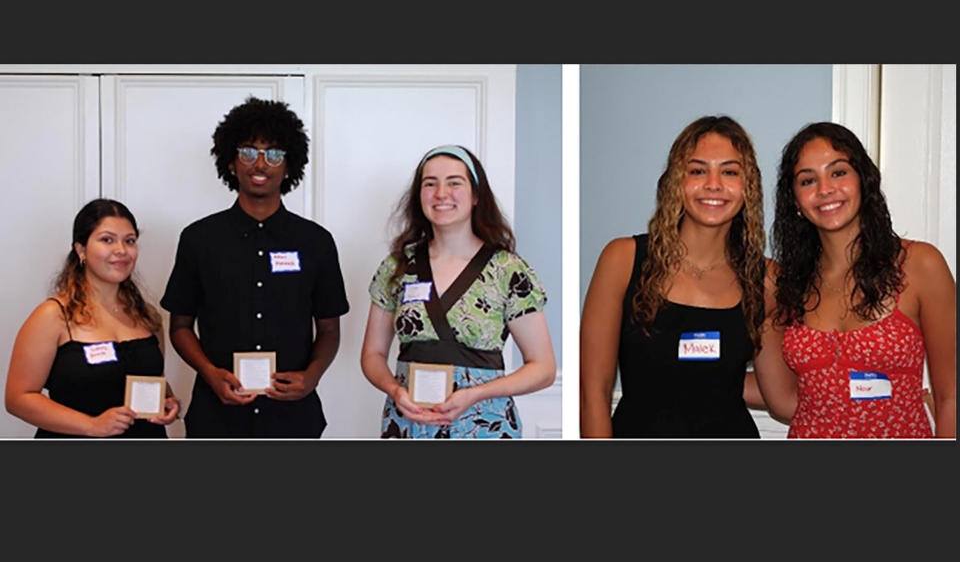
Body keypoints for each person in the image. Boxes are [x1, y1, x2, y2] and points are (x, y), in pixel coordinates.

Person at [580, 115, 793, 438]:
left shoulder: (766, 279)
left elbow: (780, 396)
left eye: (730, 172)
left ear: (748, 186)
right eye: (697, 170)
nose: (713, 184)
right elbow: (591, 393)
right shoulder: (622, 259)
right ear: (676, 181)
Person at [160, 96, 349, 438]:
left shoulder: (316, 242)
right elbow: (180, 327)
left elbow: (330, 330)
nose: (260, 164)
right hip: (216, 418)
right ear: (231, 162)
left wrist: (313, 376)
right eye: (248, 152)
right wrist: (208, 372)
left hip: (294, 419)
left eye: (273, 153)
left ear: (289, 166)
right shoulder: (198, 239)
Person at [771, 122, 955, 438]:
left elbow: (951, 396)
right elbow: (782, 394)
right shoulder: (787, 284)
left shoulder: (920, 265)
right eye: (808, 180)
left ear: (863, 181)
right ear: (796, 202)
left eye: (838, 172)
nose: (825, 188)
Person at [361, 145, 556, 438]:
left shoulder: (507, 270)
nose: (441, 193)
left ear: (476, 195)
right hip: (410, 424)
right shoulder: (397, 267)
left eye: (454, 183)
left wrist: (475, 394)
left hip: (484, 424)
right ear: (419, 196)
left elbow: (543, 368)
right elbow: (373, 354)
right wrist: (395, 391)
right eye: (430, 184)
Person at [6, 199, 179, 438]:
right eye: (107, 240)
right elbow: (18, 398)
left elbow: (154, 380)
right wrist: (92, 425)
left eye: (129, 241)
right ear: (81, 249)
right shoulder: (53, 316)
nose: (121, 250)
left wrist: (166, 400)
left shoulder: (147, 315)